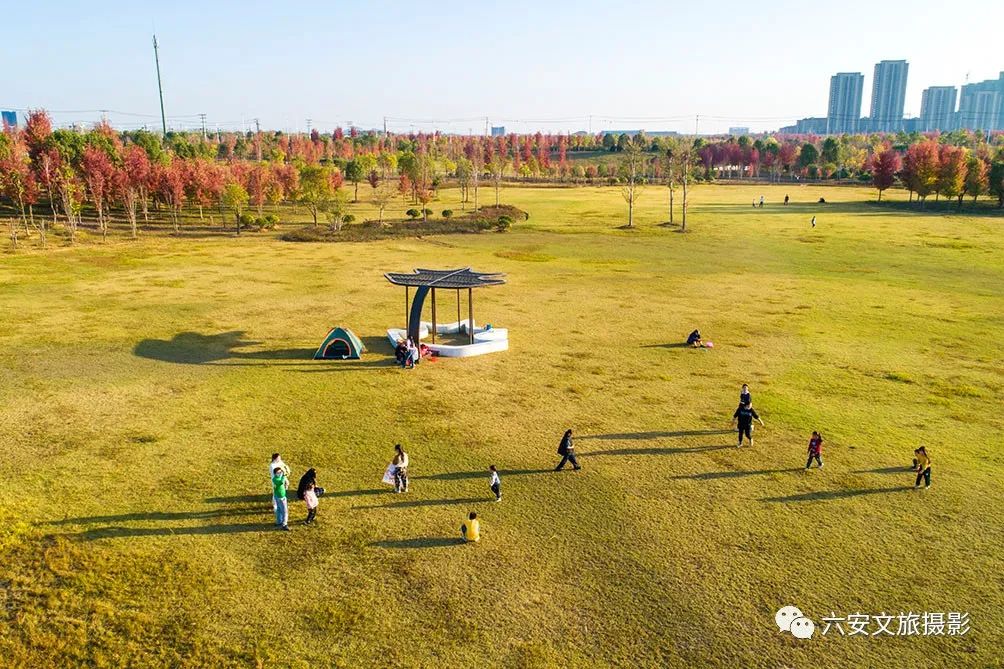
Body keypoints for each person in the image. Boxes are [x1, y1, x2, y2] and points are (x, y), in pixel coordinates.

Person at [272, 466, 290, 531]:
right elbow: (281, 482)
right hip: (280, 497)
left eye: (280, 472)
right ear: (275, 474)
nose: (279, 473)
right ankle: (284, 524)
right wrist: (284, 476)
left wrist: (284, 474)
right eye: (278, 473)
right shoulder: (275, 479)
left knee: (279, 509)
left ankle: (279, 521)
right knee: (285, 511)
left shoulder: (278, 477)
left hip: (278, 496)